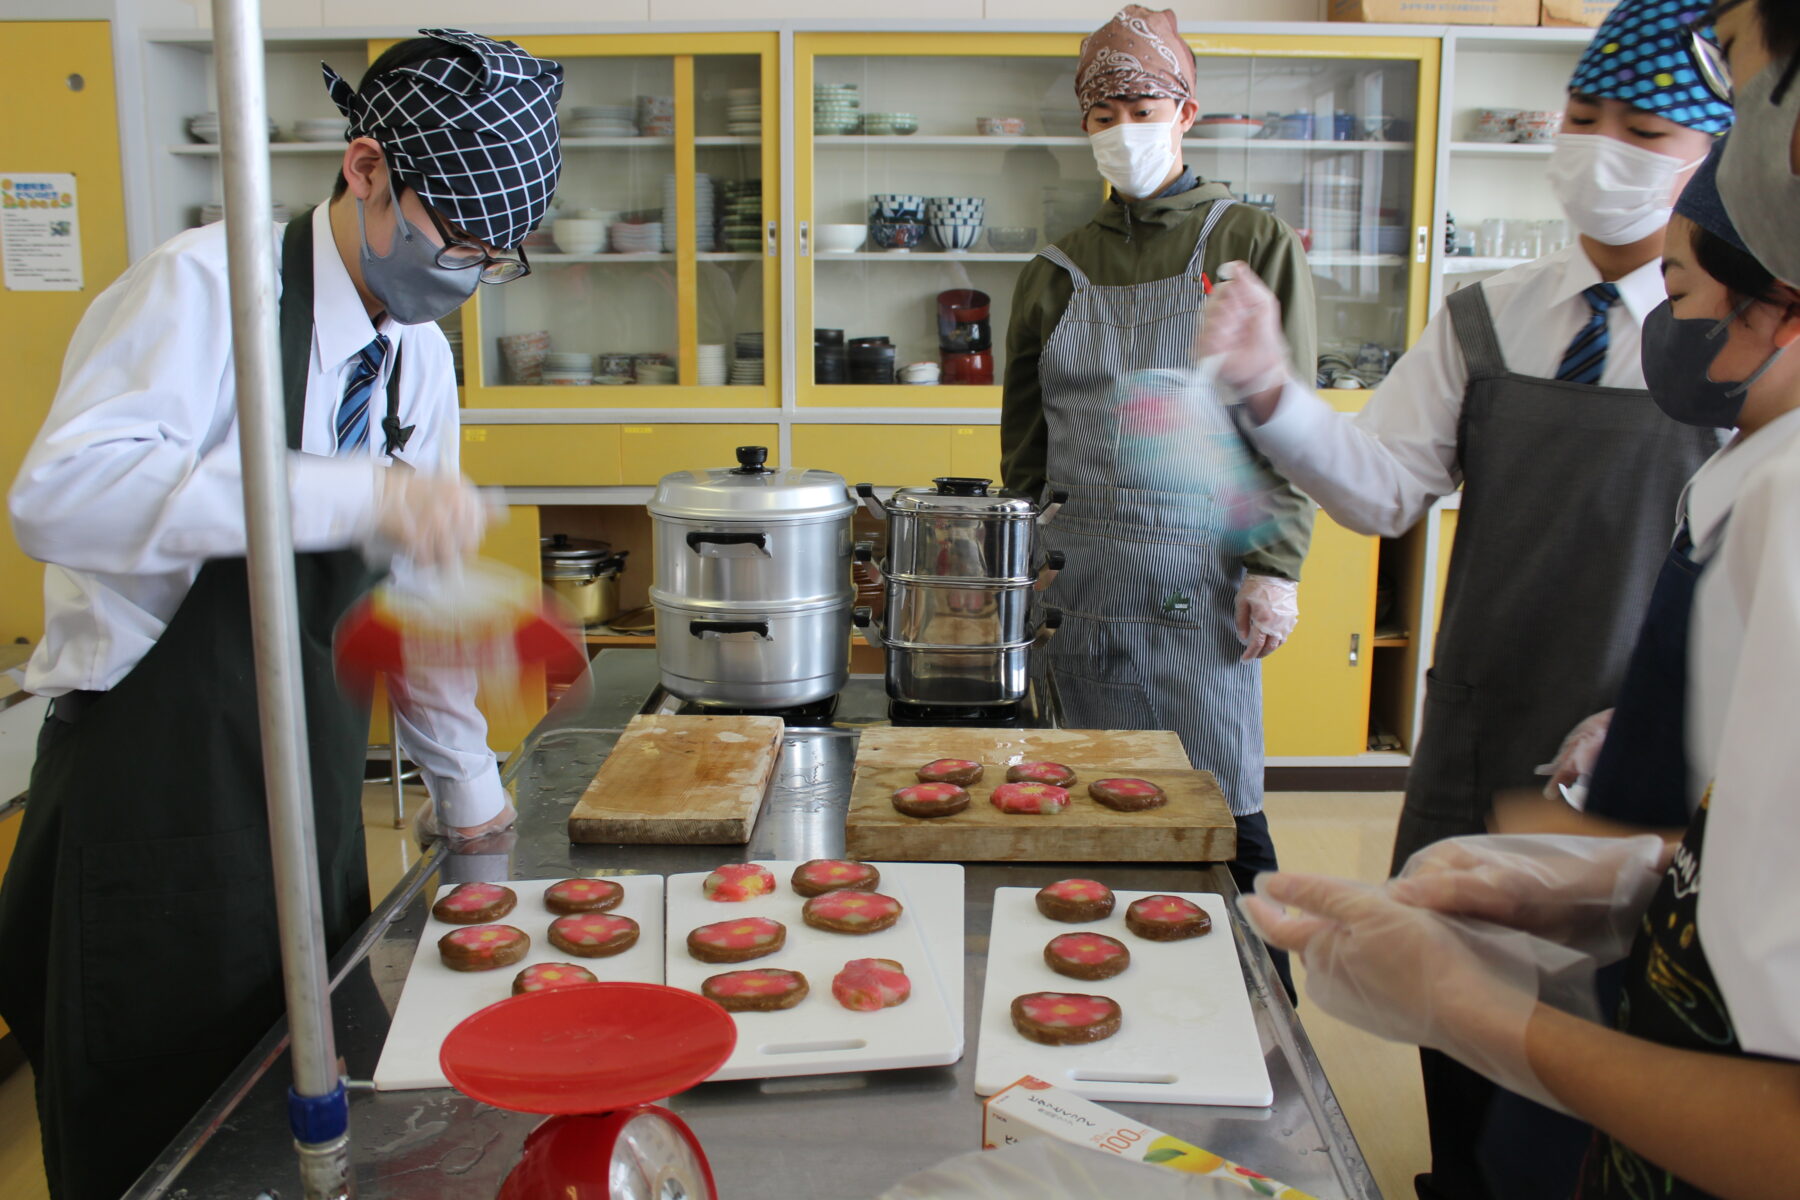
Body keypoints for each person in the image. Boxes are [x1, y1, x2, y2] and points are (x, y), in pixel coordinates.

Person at [0, 30, 563, 1200]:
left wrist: (471, 801)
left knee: (304, 1126)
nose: (464, 273)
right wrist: (354, 492)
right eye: (453, 236)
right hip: (154, 810)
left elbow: (413, 605)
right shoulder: (205, 289)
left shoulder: (417, 362)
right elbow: (56, 497)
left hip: (308, 812)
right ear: (366, 171)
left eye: (495, 258)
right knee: (163, 1148)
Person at [1197, 4, 1732, 1194]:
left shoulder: (1743, 346)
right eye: (1584, 118)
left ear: (1723, 159)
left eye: (1645, 130)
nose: (1602, 150)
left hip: (1650, 753)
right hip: (1484, 731)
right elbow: (1383, 492)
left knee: (1614, 1040)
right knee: (1460, 1017)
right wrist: (1273, 390)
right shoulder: (1489, 317)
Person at [1000, 6, 1317, 994]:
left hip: (1202, 578)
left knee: (1218, 814)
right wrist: (1015, 562)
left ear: (1187, 111)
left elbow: (1289, 414)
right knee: (1084, 805)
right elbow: (1024, 443)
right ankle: (1101, 994)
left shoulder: (1248, 241)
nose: (1122, 128)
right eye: (1102, 113)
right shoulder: (1052, 271)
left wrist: (1275, 564)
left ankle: (1268, 1027)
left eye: (1141, 106)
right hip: (1078, 577)